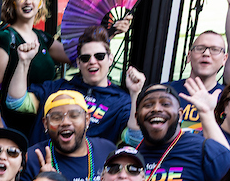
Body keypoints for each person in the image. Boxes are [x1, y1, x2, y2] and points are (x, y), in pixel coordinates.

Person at [8, 26, 144, 146]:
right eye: (85, 58)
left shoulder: (121, 101)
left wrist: (135, 94)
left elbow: (135, 138)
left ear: (110, 59)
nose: (92, 62)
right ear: (78, 63)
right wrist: (23, 62)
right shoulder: (58, 87)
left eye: (99, 56)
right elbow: (16, 102)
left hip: (86, 171)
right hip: (43, 166)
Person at [133, 84, 230, 181]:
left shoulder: (204, 149)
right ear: (137, 118)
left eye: (165, 104)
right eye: (148, 104)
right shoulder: (128, 155)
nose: (156, 108)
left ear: (180, 115)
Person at [163, 0, 230, 131]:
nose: (206, 54)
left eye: (215, 50)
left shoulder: (229, 99)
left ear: (224, 59)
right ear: (189, 56)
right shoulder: (165, 91)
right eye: (200, 48)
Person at [0, 0, 71, 135]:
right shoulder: (6, 37)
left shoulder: (42, 37)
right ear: (12, 2)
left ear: (41, 2)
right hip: (12, 124)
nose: (28, 1)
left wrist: (108, 32)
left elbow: (77, 55)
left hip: (41, 122)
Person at [18, 90, 117, 181]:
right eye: (56, 117)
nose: (65, 122)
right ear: (45, 124)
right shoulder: (32, 159)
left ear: (87, 119)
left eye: (74, 115)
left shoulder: (107, 150)